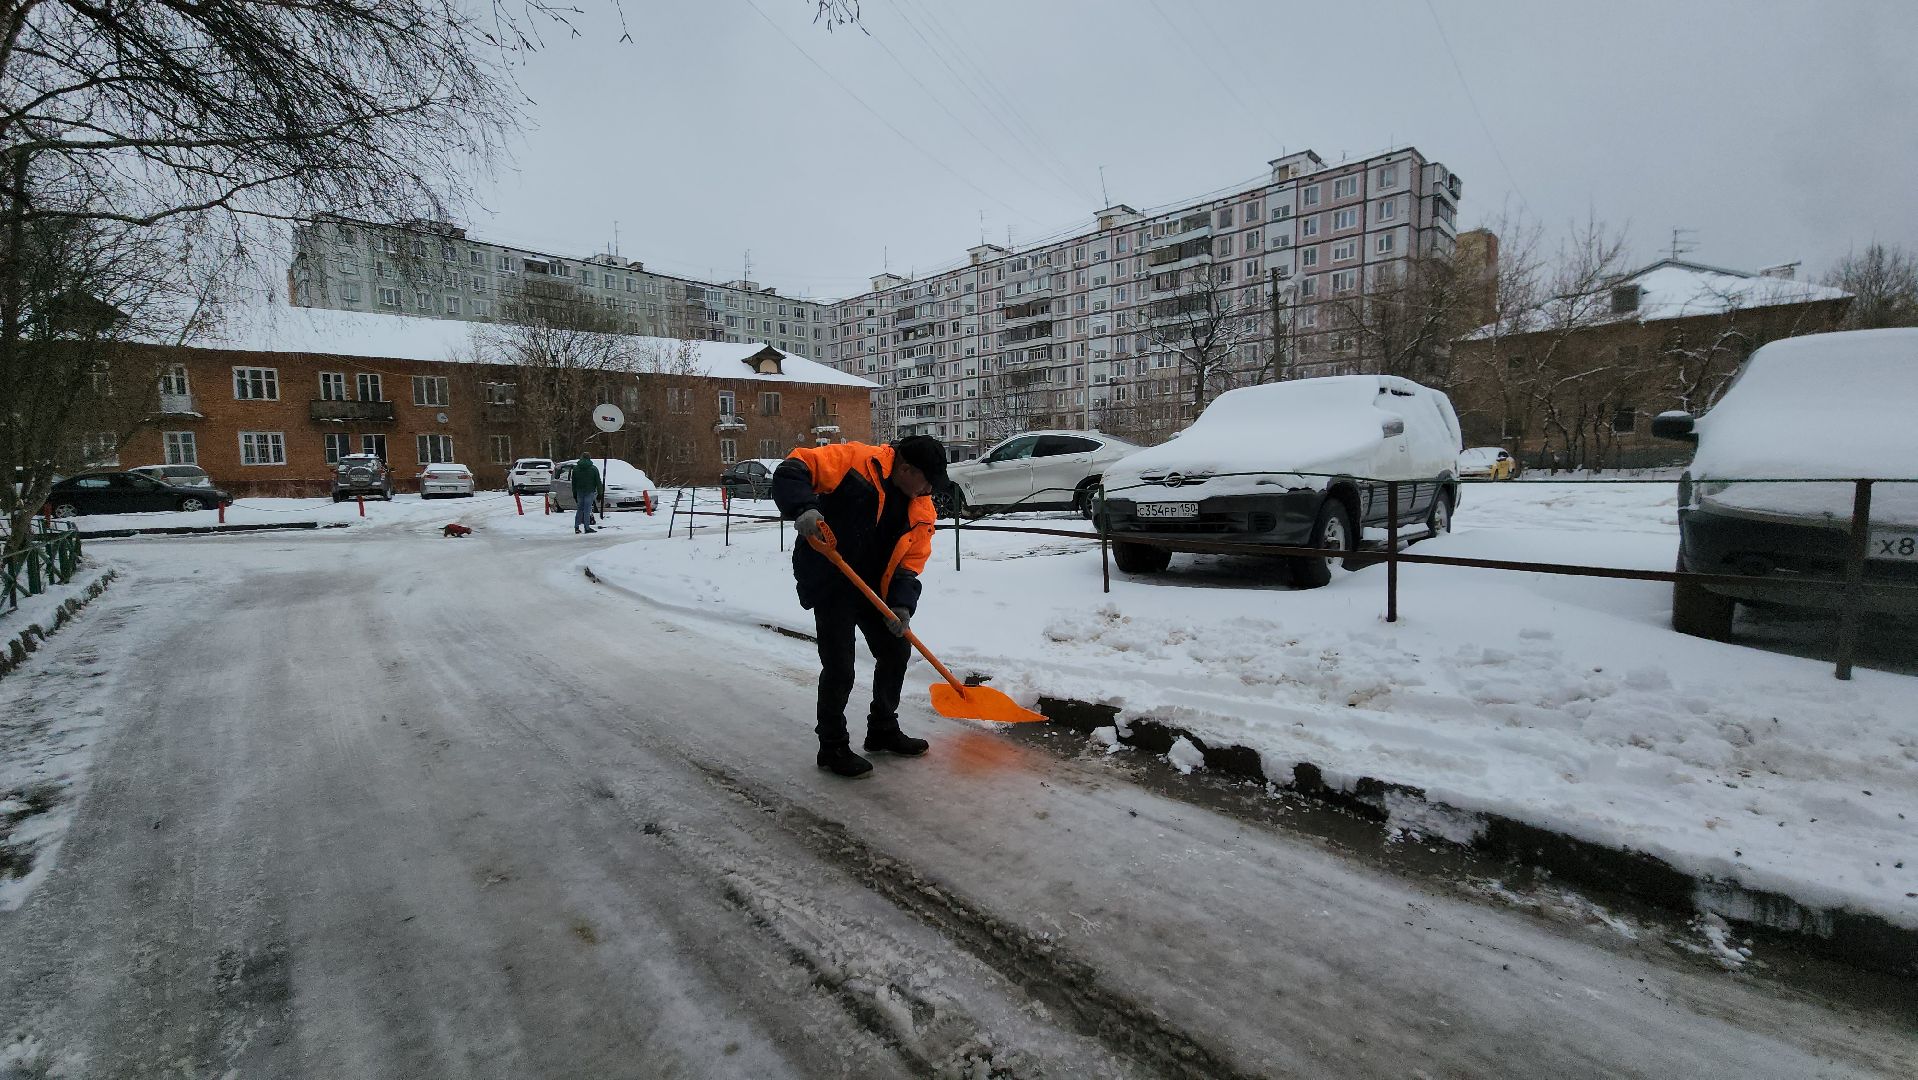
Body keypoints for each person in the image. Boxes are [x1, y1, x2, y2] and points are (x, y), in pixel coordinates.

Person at [773, 435, 948, 778]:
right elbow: (793, 468)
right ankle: (832, 746)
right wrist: (803, 507)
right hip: (831, 577)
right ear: (906, 468)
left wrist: (901, 606)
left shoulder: (921, 507)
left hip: (874, 588)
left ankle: (882, 729)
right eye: (926, 479)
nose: (929, 488)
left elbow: (910, 565)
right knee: (840, 667)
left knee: (896, 652)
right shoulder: (856, 460)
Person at [571, 453, 603, 534]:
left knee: (580, 509)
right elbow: (598, 482)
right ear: (589, 458)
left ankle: (576, 527)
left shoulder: (576, 469)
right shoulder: (593, 469)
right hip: (589, 491)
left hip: (579, 491)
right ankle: (587, 527)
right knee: (587, 510)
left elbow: (573, 483)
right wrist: (600, 493)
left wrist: (574, 493)